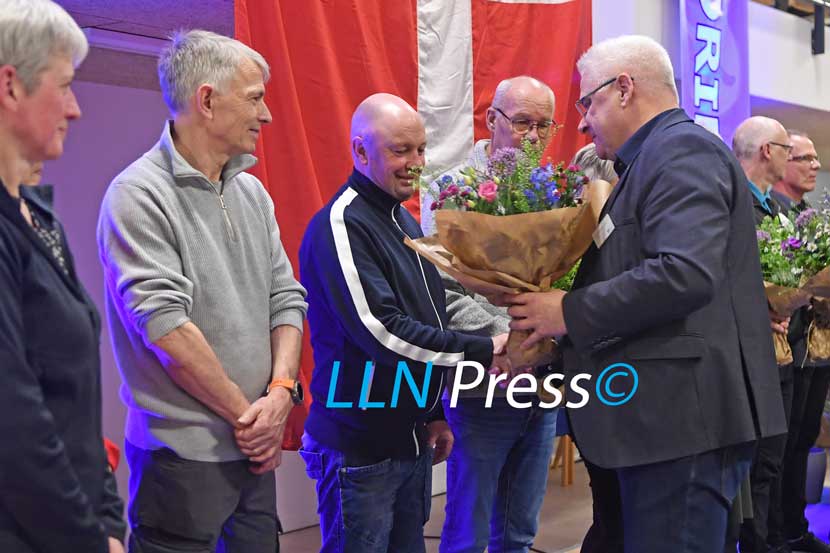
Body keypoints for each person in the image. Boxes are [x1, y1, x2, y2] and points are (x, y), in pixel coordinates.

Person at [501, 35, 787, 552]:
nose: (582, 122)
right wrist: (556, 345)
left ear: (624, 88)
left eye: (588, 103)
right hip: (655, 428)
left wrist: (567, 312)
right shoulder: (652, 160)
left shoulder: (681, 151)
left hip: (679, 428)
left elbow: (683, 273)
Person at [97, 29, 308, 553]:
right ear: (207, 101)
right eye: (255, 99)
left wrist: (281, 392)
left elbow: (286, 297)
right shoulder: (137, 195)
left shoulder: (252, 191)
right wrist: (252, 421)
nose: (267, 115)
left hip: (251, 450)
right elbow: (168, 331)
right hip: (181, 461)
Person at [299, 92, 505, 553]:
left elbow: (429, 314)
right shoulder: (342, 225)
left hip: (409, 440)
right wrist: (487, 349)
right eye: (400, 150)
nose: (416, 163)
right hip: (360, 446)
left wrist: (433, 414)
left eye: (420, 149)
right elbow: (384, 333)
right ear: (360, 151)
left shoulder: (403, 222)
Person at [0, 1, 126, 552]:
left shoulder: (38, 217)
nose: (75, 110)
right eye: (66, 86)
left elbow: (74, 399)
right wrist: (89, 539)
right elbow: (15, 421)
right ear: (10, 87)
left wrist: (110, 518)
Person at [424, 75, 558, 553]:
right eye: (523, 123)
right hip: (483, 382)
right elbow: (443, 292)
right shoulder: (453, 190)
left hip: (540, 385)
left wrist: (540, 344)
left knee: (520, 531)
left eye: (544, 125)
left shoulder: (551, 192)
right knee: (469, 531)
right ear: (491, 119)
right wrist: (510, 341)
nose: (534, 137)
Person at [728, 115, 794, 553]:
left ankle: (766, 543)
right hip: (742, 355)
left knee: (772, 460)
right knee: (745, 471)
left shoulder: (780, 209)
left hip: (782, 351)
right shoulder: (730, 202)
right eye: (788, 149)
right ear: (767, 151)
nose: (792, 157)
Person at [768, 131, 830, 553]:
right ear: (783, 162)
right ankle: (774, 534)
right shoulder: (769, 215)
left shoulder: (810, 216)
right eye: (805, 158)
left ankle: (794, 527)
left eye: (815, 158)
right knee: (781, 448)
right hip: (784, 347)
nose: (815, 166)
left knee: (804, 441)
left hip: (817, 347)